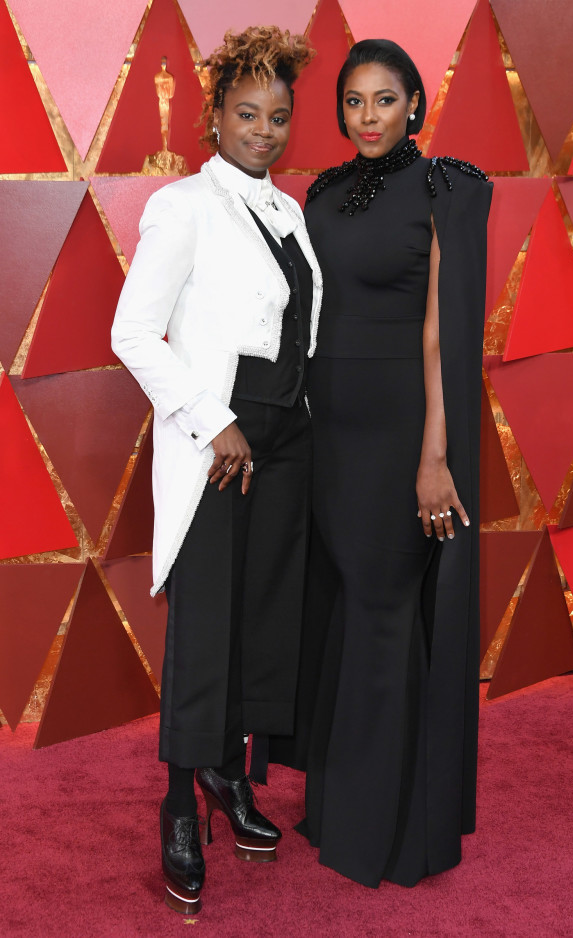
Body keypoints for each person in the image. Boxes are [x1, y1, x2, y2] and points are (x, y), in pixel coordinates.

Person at [111, 25, 318, 914]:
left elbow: (298, 331)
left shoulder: (289, 213)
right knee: (204, 628)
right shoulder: (184, 205)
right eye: (246, 114)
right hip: (220, 443)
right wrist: (211, 420)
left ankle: (227, 776)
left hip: (288, 440)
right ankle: (176, 807)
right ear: (216, 116)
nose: (263, 131)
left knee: (262, 619)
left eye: (277, 116)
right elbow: (131, 332)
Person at [290, 39, 493, 888]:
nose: (367, 116)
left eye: (383, 99)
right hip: (325, 434)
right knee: (344, 605)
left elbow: (444, 334)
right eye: (352, 101)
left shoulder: (447, 187)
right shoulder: (322, 193)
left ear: (414, 102)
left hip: (401, 432)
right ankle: (337, 805)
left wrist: (433, 456)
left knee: (383, 607)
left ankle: (390, 832)